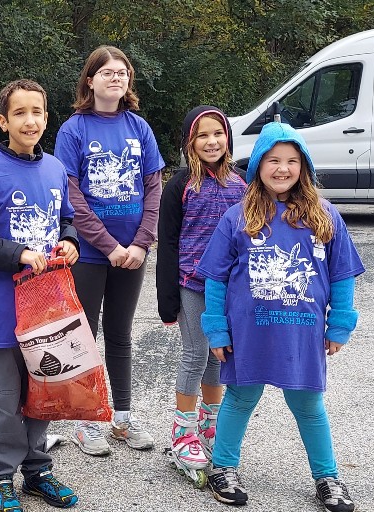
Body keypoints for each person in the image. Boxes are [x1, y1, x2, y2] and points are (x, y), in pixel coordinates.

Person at [196, 121, 363, 512]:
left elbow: (342, 275)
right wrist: (216, 330)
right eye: (273, 160)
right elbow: (215, 280)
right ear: (258, 165)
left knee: (309, 405)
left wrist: (340, 323)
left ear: (303, 165)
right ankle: (223, 467)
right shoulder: (237, 217)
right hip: (248, 333)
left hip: (301, 333)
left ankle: (327, 477)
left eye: (291, 160)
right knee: (240, 397)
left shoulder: (325, 215)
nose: (282, 168)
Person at [0, 79, 81, 511]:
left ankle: (38, 470)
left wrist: (69, 242)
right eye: (21, 113)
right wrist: (19, 253)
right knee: (7, 399)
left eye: (38, 112)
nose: (31, 120)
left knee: (43, 387)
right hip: (5, 310)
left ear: (47, 118)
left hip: (47, 308)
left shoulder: (55, 170)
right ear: (3, 121)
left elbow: (66, 219)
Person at [53, 45, 163, 456]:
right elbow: (71, 194)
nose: (116, 78)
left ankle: (122, 417)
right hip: (91, 253)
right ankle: (86, 421)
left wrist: (140, 243)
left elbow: (153, 186)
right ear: (90, 80)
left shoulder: (139, 128)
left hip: (133, 254)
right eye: (107, 72)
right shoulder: (74, 129)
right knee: (85, 335)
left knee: (120, 335)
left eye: (122, 72)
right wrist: (110, 245)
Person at [156, 105, 246, 475]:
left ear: (228, 138)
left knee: (218, 354)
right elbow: (168, 242)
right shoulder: (179, 185)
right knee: (195, 353)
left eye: (218, 133)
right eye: (202, 135)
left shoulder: (241, 183)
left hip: (229, 286)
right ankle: (183, 431)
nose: (211, 141)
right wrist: (167, 299)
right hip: (192, 284)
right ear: (189, 141)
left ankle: (211, 425)